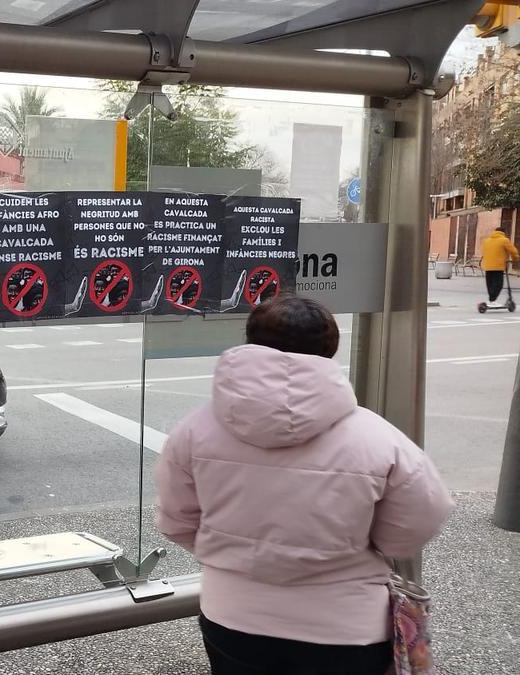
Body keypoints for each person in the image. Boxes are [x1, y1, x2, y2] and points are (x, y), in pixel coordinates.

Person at [155, 297, 453, 675]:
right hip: (345, 625)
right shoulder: (378, 438)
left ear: (250, 341)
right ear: (330, 350)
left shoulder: (193, 431)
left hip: (233, 615)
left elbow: (176, 520)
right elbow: (418, 521)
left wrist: (232, 553)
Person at [482, 227, 520, 307]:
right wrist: (516, 259)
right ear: (503, 233)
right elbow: (513, 251)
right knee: (498, 284)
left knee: (490, 284)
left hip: (488, 266)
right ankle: (492, 301)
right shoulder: (504, 240)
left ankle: (491, 300)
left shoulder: (487, 241)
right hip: (498, 267)